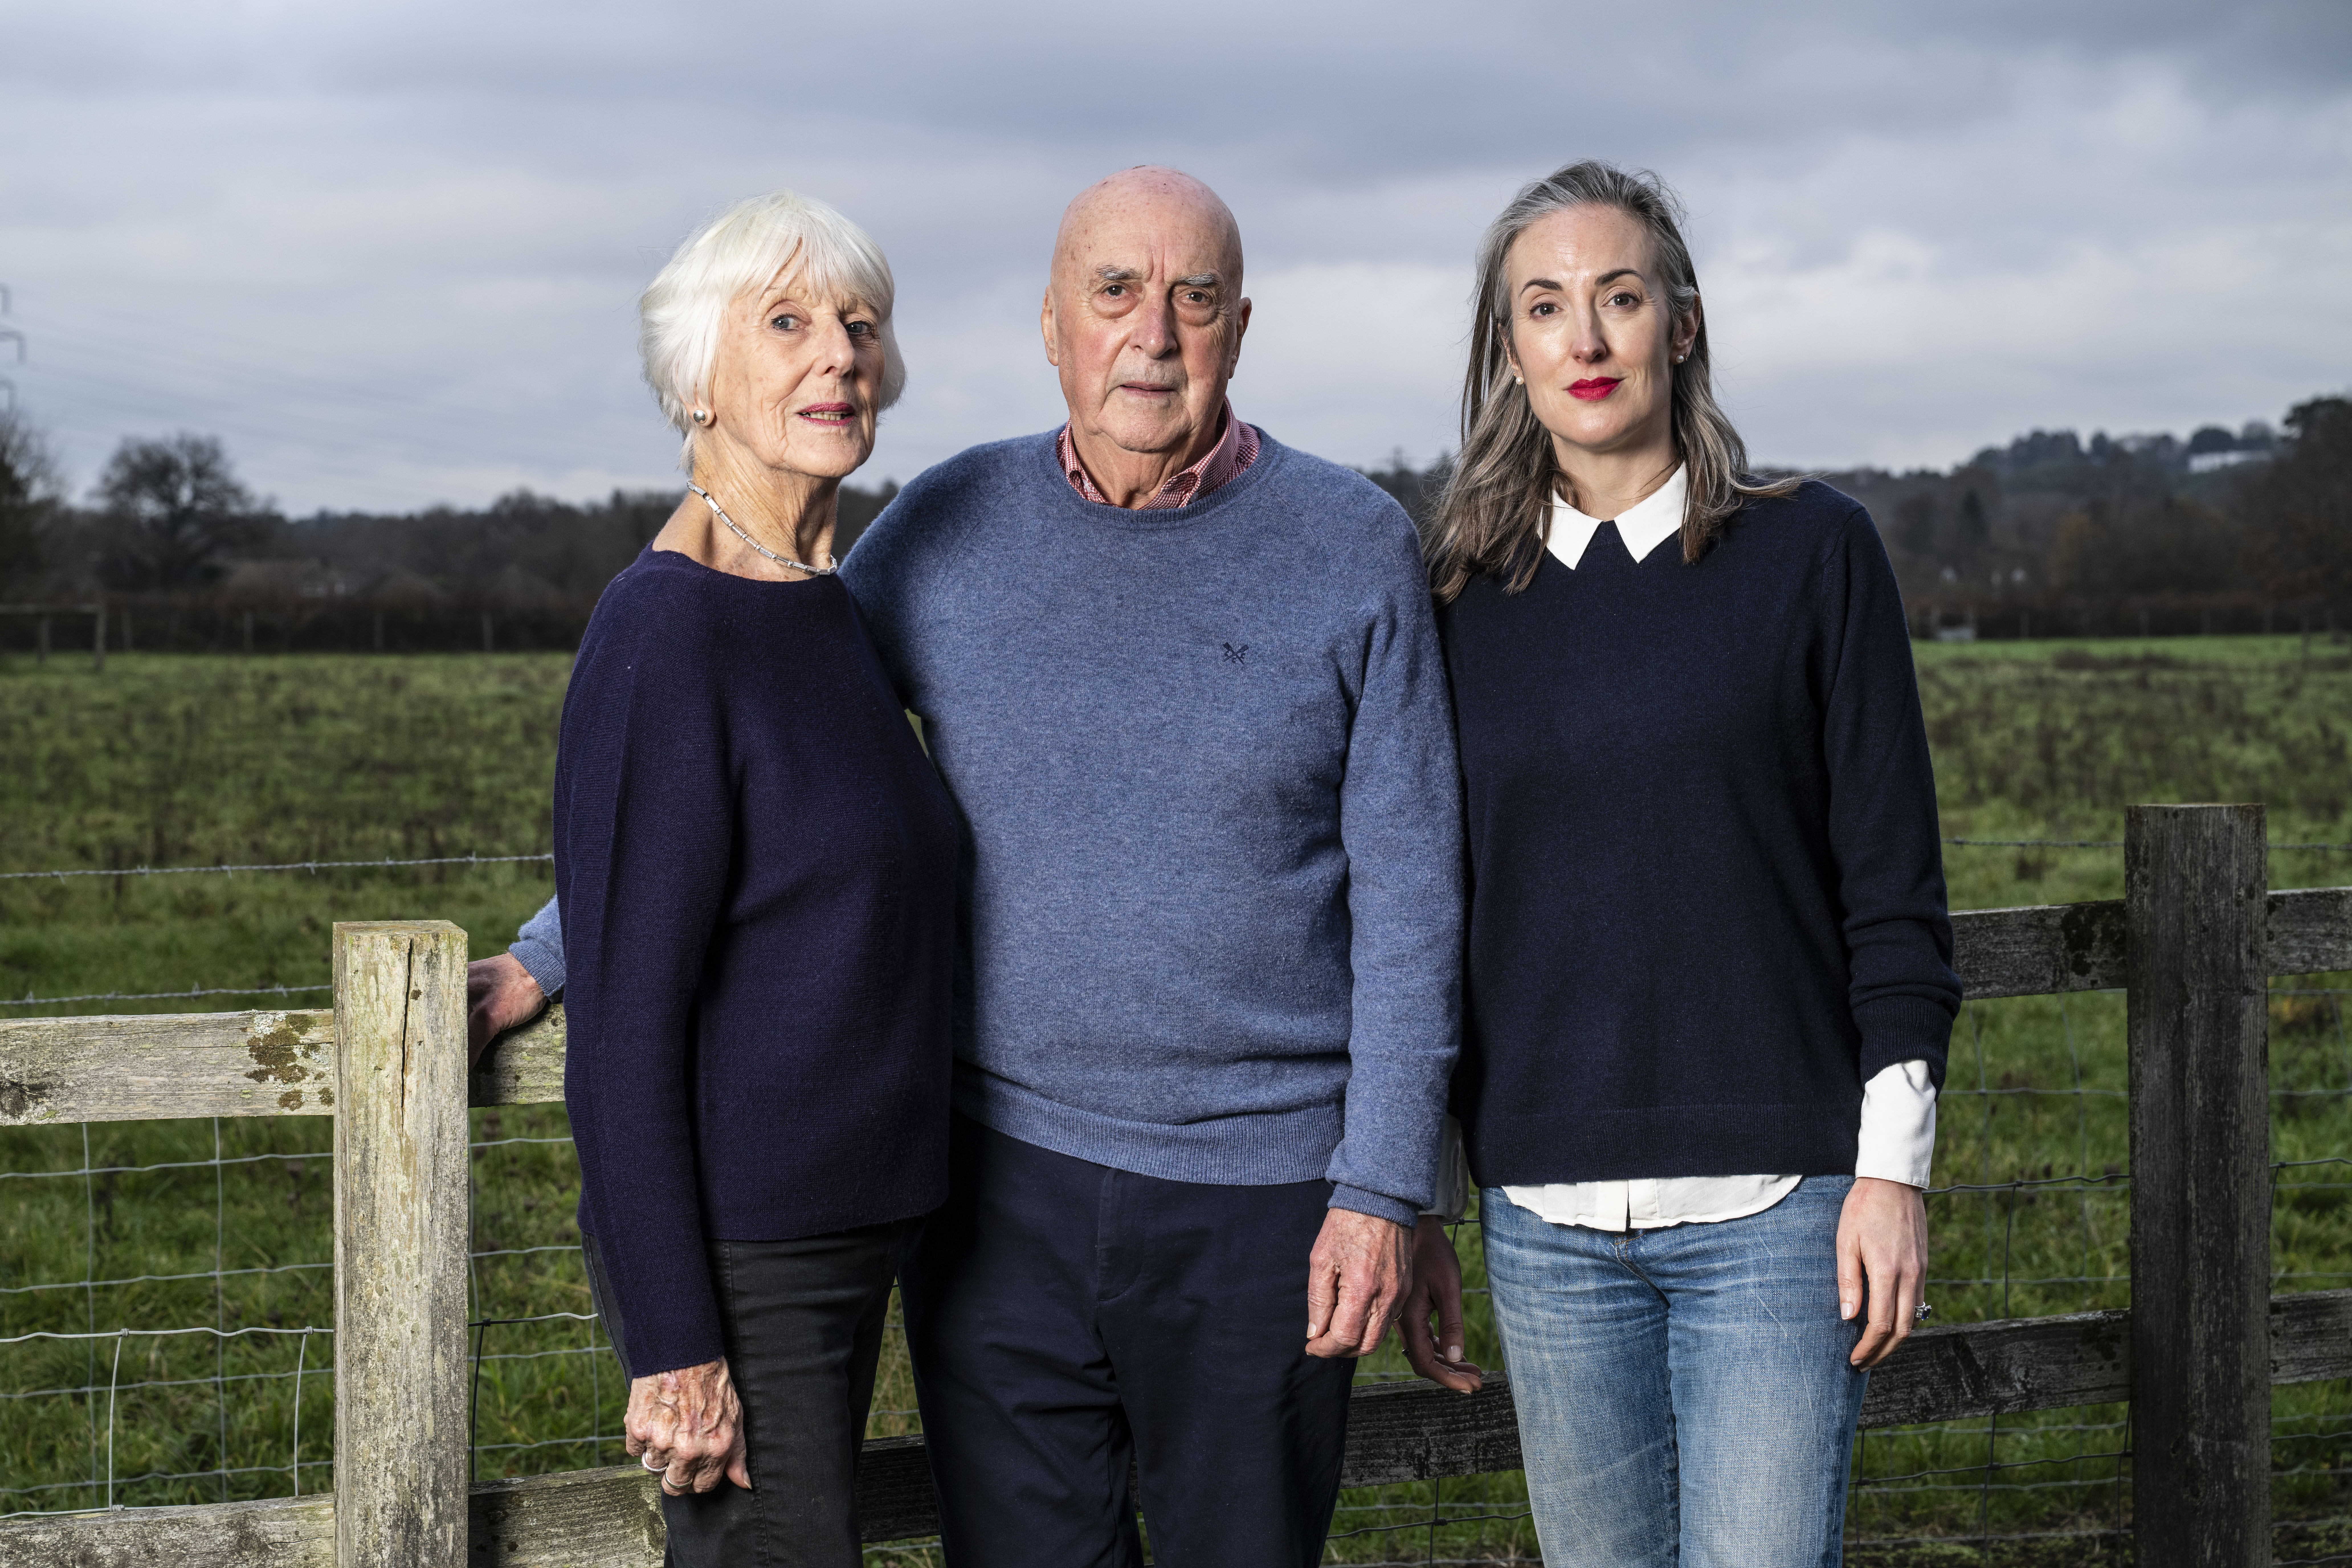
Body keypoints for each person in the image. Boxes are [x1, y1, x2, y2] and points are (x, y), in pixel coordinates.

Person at [481, 166, 1470, 1567]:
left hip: (1264, 1199)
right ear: (1052, 325)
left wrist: (1386, 1186)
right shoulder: (947, 529)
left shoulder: (1354, 547)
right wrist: (554, 945)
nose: (1154, 333)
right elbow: (760, 735)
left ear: (1241, 328)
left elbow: (1420, 894)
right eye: (1114, 293)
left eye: (1195, 298)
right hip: (1000, 1185)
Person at [1413, 160, 1961, 1566]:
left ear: (1685, 322)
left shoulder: (1814, 554)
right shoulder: (1456, 596)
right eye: (1545, 307)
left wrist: (1890, 1173)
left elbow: (1893, 888)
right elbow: (1421, 913)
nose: (1585, 340)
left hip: (1777, 1210)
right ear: (1509, 348)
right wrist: (1424, 1194)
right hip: (1543, 1216)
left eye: (1618, 297)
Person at [550, 190, 959, 1568]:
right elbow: (625, 1021)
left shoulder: (824, 604)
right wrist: (674, 1338)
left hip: (872, 1217)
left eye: (858, 324)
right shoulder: (664, 626)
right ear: (697, 376)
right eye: (785, 323)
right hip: (751, 1251)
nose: (838, 354)